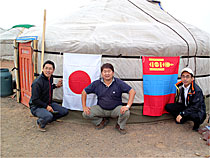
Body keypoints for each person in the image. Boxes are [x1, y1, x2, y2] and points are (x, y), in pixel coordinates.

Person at [82, 63, 136, 134]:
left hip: (115, 109)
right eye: (104, 71)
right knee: (85, 114)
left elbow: (132, 92)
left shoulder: (118, 83)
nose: (107, 73)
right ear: (101, 73)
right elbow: (84, 92)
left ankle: (120, 125)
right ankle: (101, 121)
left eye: (109, 71)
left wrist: (127, 106)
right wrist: (84, 106)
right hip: (101, 109)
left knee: (126, 112)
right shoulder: (97, 83)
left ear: (113, 73)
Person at [29, 60, 69, 132]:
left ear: (53, 70)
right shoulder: (37, 83)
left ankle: (48, 117)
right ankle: (41, 121)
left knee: (64, 111)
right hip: (36, 107)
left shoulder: (50, 78)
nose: (48, 70)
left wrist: (56, 86)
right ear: (43, 69)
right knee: (49, 116)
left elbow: (48, 87)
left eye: (50, 69)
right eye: (46, 68)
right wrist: (46, 106)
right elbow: (35, 99)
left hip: (48, 103)